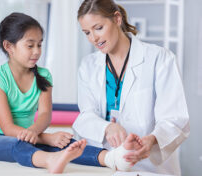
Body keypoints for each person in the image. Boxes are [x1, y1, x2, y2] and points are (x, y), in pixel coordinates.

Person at [0, 12, 143, 174]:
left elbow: (45, 115)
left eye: (39, 45)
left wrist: (36, 133)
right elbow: (8, 129)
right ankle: (50, 160)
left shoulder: (44, 75)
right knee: (18, 145)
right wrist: (45, 138)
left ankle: (113, 158)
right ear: (8, 46)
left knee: (67, 143)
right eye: (30, 45)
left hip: (29, 135)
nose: (36, 51)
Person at [72, 0, 190, 175]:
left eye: (98, 28)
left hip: (149, 167)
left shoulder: (160, 59)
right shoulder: (88, 66)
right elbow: (86, 115)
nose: (93, 38)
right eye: (87, 33)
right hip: (107, 164)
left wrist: (152, 139)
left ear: (117, 19)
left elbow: (174, 118)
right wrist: (107, 127)